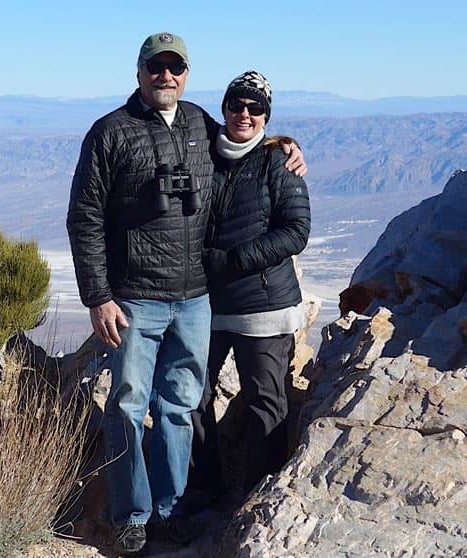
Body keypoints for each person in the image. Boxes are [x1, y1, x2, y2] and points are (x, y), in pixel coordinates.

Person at [66, 34, 305, 555]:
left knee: (178, 407)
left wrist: (286, 144)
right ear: (139, 71)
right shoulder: (110, 133)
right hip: (133, 298)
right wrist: (97, 297)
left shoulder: (199, 122)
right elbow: (84, 218)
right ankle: (132, 515)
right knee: (128, 406)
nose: (166, 76)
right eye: (157, 67)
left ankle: (170, 510)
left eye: (176, 68)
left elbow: (246, 138)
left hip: (196, 300)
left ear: (187, 75)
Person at [189, 71, 311, 506]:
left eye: (255, 107)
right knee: (191, 395)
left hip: (263, 304)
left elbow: (296, 231)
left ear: (266, 116)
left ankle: (257, 498)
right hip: (205, 302)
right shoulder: (202, 153)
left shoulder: (278, 161)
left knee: (265, 399)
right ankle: (206, 488)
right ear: (224, 108)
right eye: (237, 104)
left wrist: (234, 260)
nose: (245, 113)